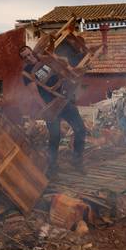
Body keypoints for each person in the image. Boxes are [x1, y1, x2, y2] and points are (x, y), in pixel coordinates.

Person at [19, 46, 86, 177]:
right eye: (24, 57)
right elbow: (34, 93)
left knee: (80, 130)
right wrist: (46, 109)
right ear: (23, 60)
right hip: (50, 106)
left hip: (65, 100)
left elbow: (63, 66)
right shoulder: (27, 73)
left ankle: (77, 160)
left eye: (29, 54)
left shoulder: (45, 60)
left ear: (32, 52)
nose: (28, 57)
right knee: (55, 136)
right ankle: (52, 167)